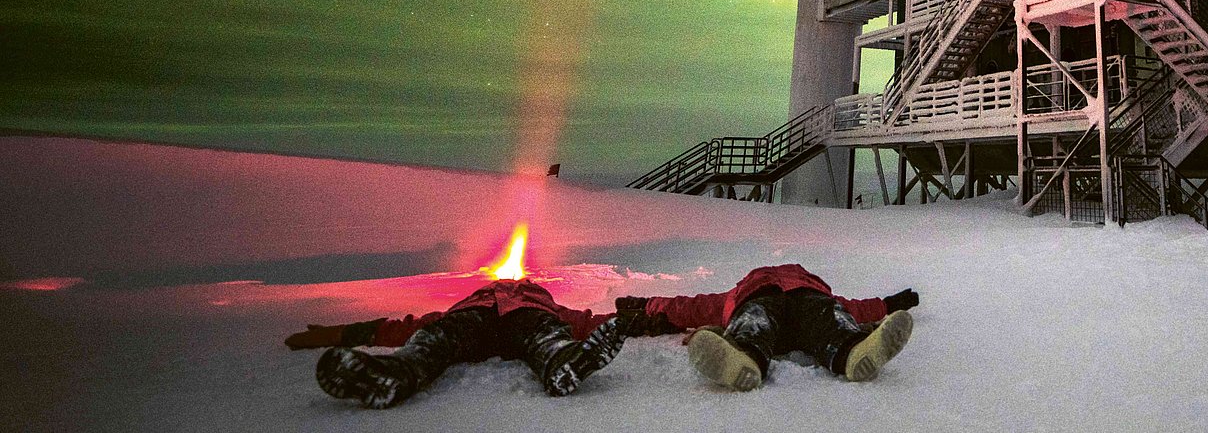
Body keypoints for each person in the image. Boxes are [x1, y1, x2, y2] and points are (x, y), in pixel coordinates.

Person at [284, 278, 631, 409]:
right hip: (472, 323)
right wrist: (340, 333)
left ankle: (563, 362)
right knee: (434, 336)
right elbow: (407, 327)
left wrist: (638, 320)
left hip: (525, 323)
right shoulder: (470, 305)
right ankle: (394, 373)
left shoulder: (541, 305)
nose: (511, 284)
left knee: (547, 332)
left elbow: (587, 322)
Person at [617, 263, 918, 391]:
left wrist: (891, 304)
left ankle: (855, 352)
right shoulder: (746, 294)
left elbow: (688, 306)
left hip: (805, 301)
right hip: (774, 301)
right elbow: (687, 306)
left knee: (829, 315)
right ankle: (741, 359)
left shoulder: (745, 293)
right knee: (766, 317)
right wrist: (643, 304)